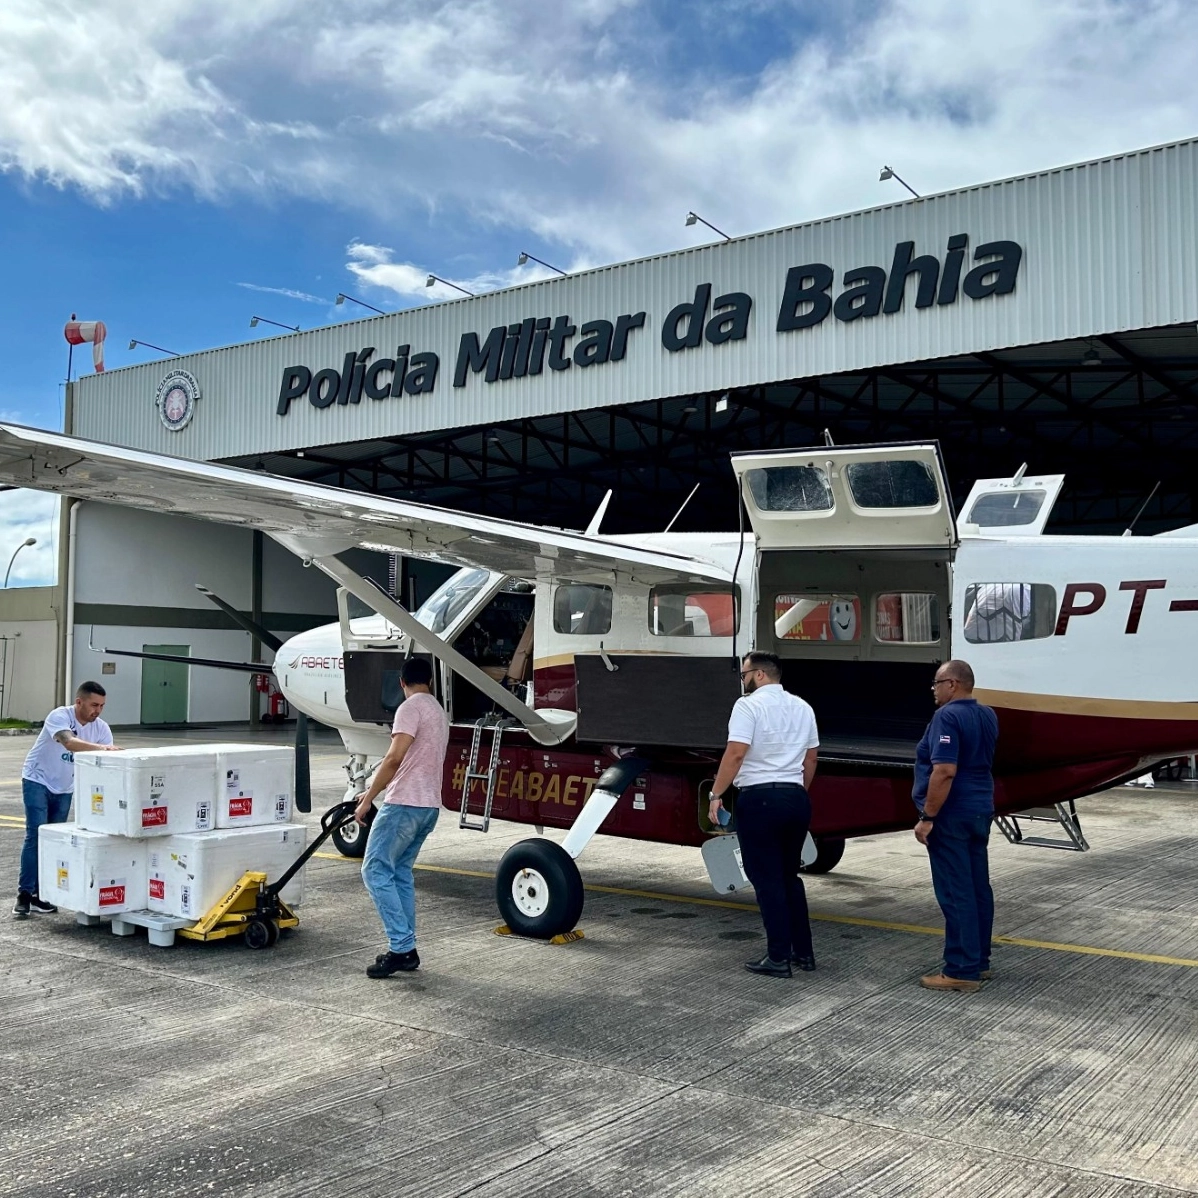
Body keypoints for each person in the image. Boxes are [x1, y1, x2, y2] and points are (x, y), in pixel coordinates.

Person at [709, 651, 819, 978]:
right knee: (789, 877)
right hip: (795, 797)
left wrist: (716, 794)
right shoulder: (803, 706)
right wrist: (796, 791)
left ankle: (777, 957)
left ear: (758, 675)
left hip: (760, 799)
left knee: (766, 879)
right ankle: (804, 953)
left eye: (744, 674)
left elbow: (736, 753)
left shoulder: (748, 706)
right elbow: (811, 759)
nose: (742, 680)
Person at [355, 656, 449, 978]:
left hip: (404, 805)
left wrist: (368, 799)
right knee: (399, 874)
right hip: (428, 807)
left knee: (374, 871)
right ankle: (407, 948)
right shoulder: (437, 710)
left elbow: (395, 758)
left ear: (401, 682)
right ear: (430, 681)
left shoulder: (409, 708)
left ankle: (401, 948)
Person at [913, 659, 999, 992]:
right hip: (980, 809)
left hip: (951, 814)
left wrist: (928, 817)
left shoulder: (947, 716)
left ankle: (961, 968)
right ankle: (979, 961)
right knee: (978, 888)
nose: (933, 690)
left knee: (955, 891)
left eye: (936, 683)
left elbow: (944, 770)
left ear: (952, 683)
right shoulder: (987, 714)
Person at [15, 681, 120, 919]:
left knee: (54, 839)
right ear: (79, 702)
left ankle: (41, 895)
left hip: (64, 786)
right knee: (36, 833)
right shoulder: (59, 716)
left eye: (102, 706)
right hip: (37, 779)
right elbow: (69, 742)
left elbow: (103, 764)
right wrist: (104, 750)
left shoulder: (101, 729)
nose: (98, 711)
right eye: (94, 705)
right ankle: (24, 893)